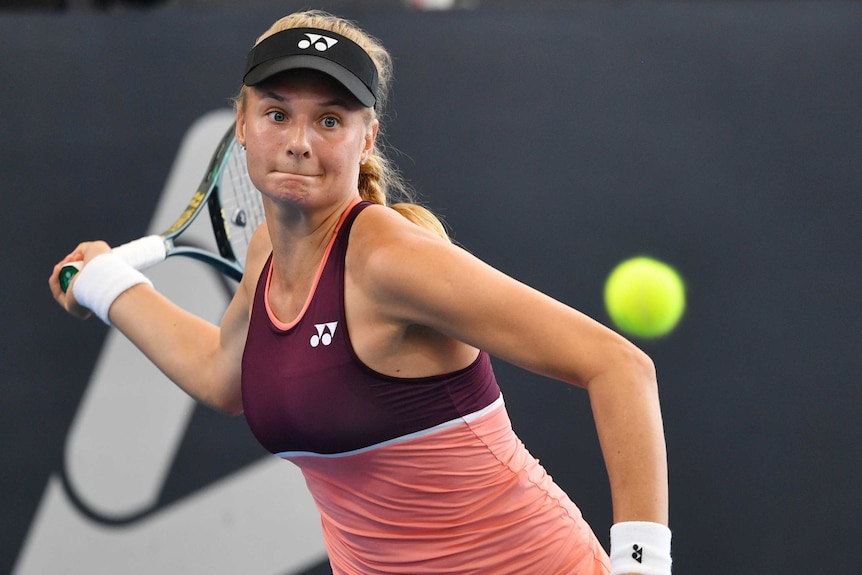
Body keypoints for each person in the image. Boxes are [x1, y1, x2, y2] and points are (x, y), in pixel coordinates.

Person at [49, 10, 671, 575]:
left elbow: (620, 367)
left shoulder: (388, 259)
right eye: (276, 113)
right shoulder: (267, 250)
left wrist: (641, 567)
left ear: (366, 137)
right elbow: (222, 376)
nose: (300, 140)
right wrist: (110, 286)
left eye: (329, 120)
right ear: (242, 123)